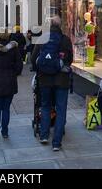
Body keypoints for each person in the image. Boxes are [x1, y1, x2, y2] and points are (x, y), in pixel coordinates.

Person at [31, 16, 73, 151]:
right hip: (62, 80)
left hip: (44, 80)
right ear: (60, 25)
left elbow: (33, 58)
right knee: (61, 110)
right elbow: (70, 59)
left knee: (45, 106)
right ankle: (56, 143)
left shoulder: (42, 38)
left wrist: (40, 70)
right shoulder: (65, 40)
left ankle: (44, 136)